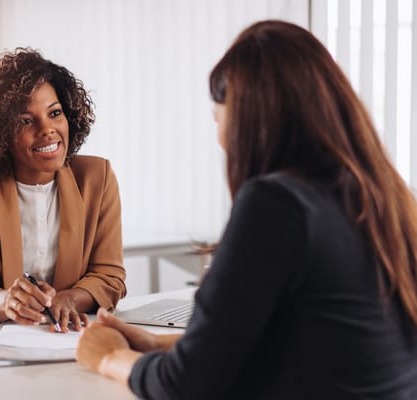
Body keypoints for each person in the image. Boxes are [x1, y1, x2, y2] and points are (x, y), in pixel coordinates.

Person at [75, 20, 417, 398]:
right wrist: (158, 345)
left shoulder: (278, 204)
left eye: (218, 118)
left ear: (247, 120)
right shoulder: (384, 195)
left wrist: (108, 357)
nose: (220, 139)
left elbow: (187, 387)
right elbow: (304, 341)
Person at [0, 48, 126, 333]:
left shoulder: (96, 178)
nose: (48, 129)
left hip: (68, 337)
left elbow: (109, 276)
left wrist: (70, 299)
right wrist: (8, 302)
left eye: (55, 113)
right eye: (26, 121)